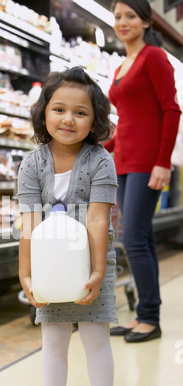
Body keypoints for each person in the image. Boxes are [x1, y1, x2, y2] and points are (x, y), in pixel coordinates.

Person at [17, 66, 118, 386]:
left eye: (81, 112)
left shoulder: (100, 160)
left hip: (92, 261)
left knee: (96, 338)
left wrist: (95, 272)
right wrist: (26, 276)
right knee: (54, 339)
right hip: (48, 266)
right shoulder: (32, 163)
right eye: (59, 109)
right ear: (43, 112)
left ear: (94, 121)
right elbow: (27, 223)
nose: (68, 119)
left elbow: (97, 219)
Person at [105, 0, 181, 343]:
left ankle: (150, 318)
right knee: (138, 239)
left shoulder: (154, 57)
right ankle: (143, 316)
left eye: (130, 16)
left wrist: (163, 161)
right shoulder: (122, 67)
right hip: (123, 160)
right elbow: (129, 122)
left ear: (146, 21)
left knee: (134, 238)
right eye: (118, 16)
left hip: (147, 163)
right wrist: (101, 149)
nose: (122, 22)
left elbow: (171, 109)